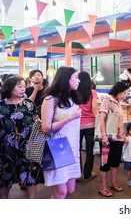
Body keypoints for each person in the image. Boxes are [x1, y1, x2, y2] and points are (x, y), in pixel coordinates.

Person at [41, 66, 82, 199]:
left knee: (70, 190)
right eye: (76, 77)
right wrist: (70, 118)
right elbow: (46, 128)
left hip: (73, 148)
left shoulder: (73, 98)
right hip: (58, 148)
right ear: (66, 79)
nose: (79, 81)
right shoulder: (50, 99)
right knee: (61, 193)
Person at [0, 76, 44, 199]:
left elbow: (37, 124)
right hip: (6, 151)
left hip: (29, 148)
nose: (23, 89)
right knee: (4, 180)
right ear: (9, 87)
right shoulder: (1, 106)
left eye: (24, 86)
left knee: (31, 178)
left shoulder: (29, 104)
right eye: (19, 86)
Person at [98, 81, 128, 197]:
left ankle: (113, 182)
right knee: (105, 163)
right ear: (118, 92)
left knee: (115, 162)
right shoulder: (107, 101)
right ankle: (103, 187)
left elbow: (119, 122)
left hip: (118, 138)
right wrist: (104, 135)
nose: (124, 95)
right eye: (124, 93)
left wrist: (123, 136)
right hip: (108, 138)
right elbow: (102, 119)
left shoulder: (119, 103)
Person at [77, 71, 99, 181]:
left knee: (77, 150)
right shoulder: (92, 92)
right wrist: (99, 121)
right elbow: (95, 108)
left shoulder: (74, 92)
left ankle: (77, 174)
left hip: (77, 125)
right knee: (90, 151)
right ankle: (87, 174)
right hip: (90, 124)